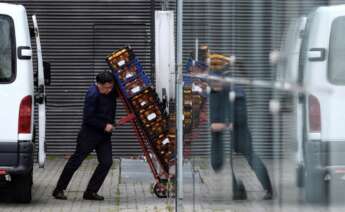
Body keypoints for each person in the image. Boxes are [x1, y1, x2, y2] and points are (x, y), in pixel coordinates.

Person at [209, 57, 273, 200]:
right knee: (236, 160)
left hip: (241, 132)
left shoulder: (235, 93)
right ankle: (238, 190)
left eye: (215, 82)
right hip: (234, 132)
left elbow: (238, 118)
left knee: (250, 157)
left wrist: (227, 123)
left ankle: (267, 189)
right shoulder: (220, 92)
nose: (214, 86)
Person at [52, 71, 117, 201]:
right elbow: (88, 118)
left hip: (104, 136)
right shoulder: (92, 94)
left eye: (111, 87)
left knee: (106, 162)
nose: (109, 90)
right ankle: (59, 189)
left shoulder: (110, 91)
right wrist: (104, 125)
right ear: (99, 84)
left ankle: (91, 192)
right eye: (106, 88)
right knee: (76, 161)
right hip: (89, 134)